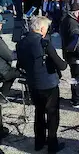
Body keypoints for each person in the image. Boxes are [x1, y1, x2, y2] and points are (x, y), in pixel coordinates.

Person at [16, 16, 67, 153]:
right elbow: (61, 66)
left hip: (33, 83)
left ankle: (39, 143)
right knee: (52, 115)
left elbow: (20, 64)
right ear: (43, 28)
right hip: (49, 85)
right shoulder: (44, 43)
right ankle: (52, 146)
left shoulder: (21, 42)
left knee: (38, 112)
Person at [60, 2, 79, 108]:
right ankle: (76, 100)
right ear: (75, 12)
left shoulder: (66, 19)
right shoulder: (72, 23)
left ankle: (76, 98)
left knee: (75, 76)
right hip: (74, 55)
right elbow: (75, 42)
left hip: (68, 54)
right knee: (77, 77)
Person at [0, 15, 20, 101]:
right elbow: (9, 56)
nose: (1, 26)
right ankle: (2, 96)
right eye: (0, 24)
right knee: (16, 72)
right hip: (2, 71)